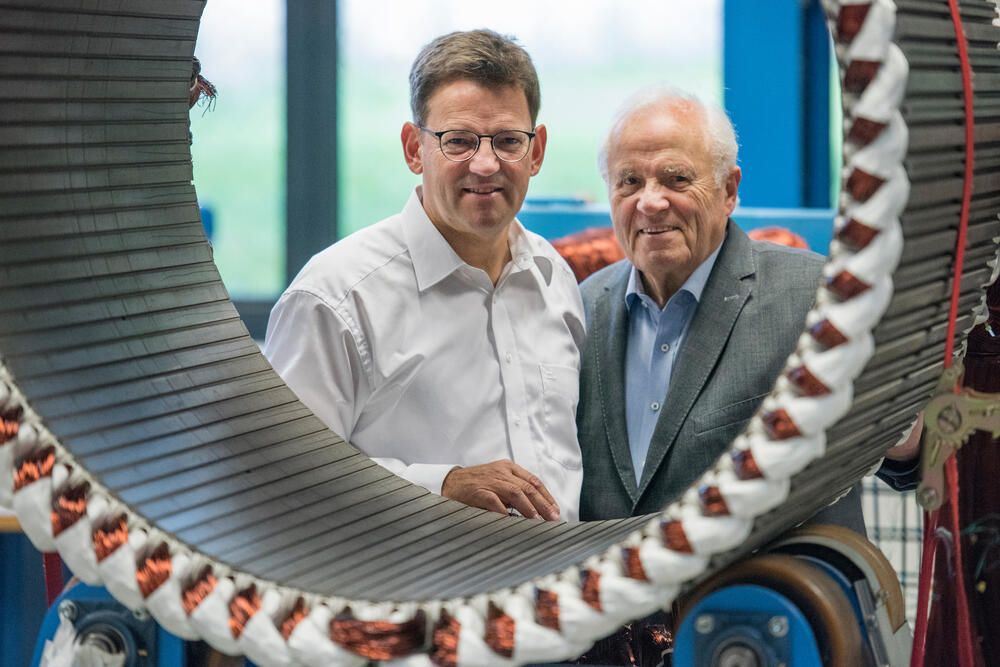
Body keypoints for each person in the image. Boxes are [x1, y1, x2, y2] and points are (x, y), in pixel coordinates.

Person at [263, 30, 585, 521]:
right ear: (414, 149)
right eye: (458, 141)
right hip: (408, 573)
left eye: (507, 141)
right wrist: (441, 487)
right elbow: (282, 483)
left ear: (536, 151)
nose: (485, 164)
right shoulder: (336, 297)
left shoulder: (554, 279)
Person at [576, 87, 918, 530]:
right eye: (629, 182)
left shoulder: (818, 296)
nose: (650, 201)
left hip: (778, 574)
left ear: (729, 190)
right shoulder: (580, 309)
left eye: (677, 179)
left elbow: (907, 457)